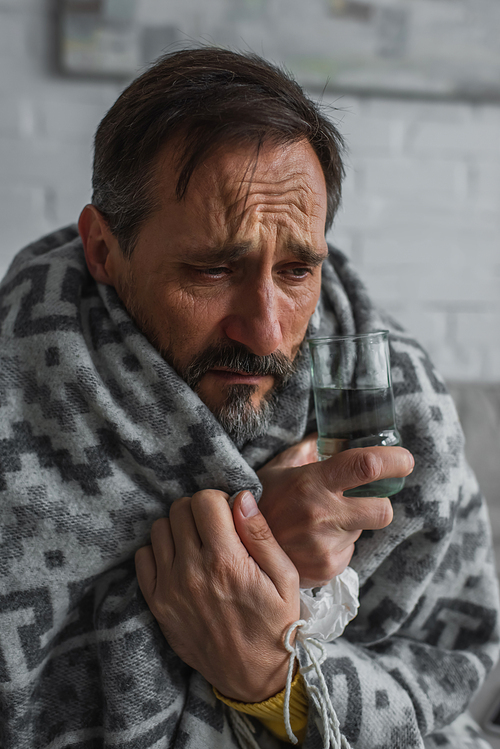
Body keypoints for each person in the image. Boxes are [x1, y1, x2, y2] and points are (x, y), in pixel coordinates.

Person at [0, 47, 498, 749]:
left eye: (296, 270)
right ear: (104, 249)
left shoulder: (407, 414)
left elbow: (457, 693)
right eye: (211, 269)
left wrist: (272, 675)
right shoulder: (15, 396)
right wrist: (256, 546)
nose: (264, 329)